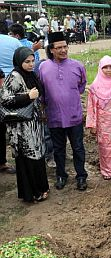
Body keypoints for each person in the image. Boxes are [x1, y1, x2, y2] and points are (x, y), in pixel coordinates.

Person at [39, 32, 88, 191]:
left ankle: (81, 176)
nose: (63, 50)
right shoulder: (43, 67)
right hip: (54, 117)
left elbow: (81, 87)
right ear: (51, 49)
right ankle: (61, 175)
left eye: (65, 46)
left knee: (78, 148)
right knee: (58, 149)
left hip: (74, 116)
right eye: (59, 47)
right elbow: (42, 92)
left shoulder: (78, 66)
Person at [0, 47, 49, 202]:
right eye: (27, 61)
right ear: (19, 61)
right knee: (28, 157)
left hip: (34, 124)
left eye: (33, 61)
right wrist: (27, 96)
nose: (31, 64)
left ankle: (42, 188)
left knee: (38, 155)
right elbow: (5, 99)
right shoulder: (14, 76)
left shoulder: (31, 75)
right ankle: (33, 193)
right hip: (22, 127)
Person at [86, 55, 111, 180]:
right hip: (104, 124)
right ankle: (109, 171)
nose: (109, 70)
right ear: (100, 69)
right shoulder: (95, 86)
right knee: (107, 148)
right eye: (105, 67)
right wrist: (92, 125)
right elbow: (91, 107)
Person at [0, 21, 21, 175]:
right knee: (14, 124)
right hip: (13, 86)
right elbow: (24, 60)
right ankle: (9, 160)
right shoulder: (13, 41)